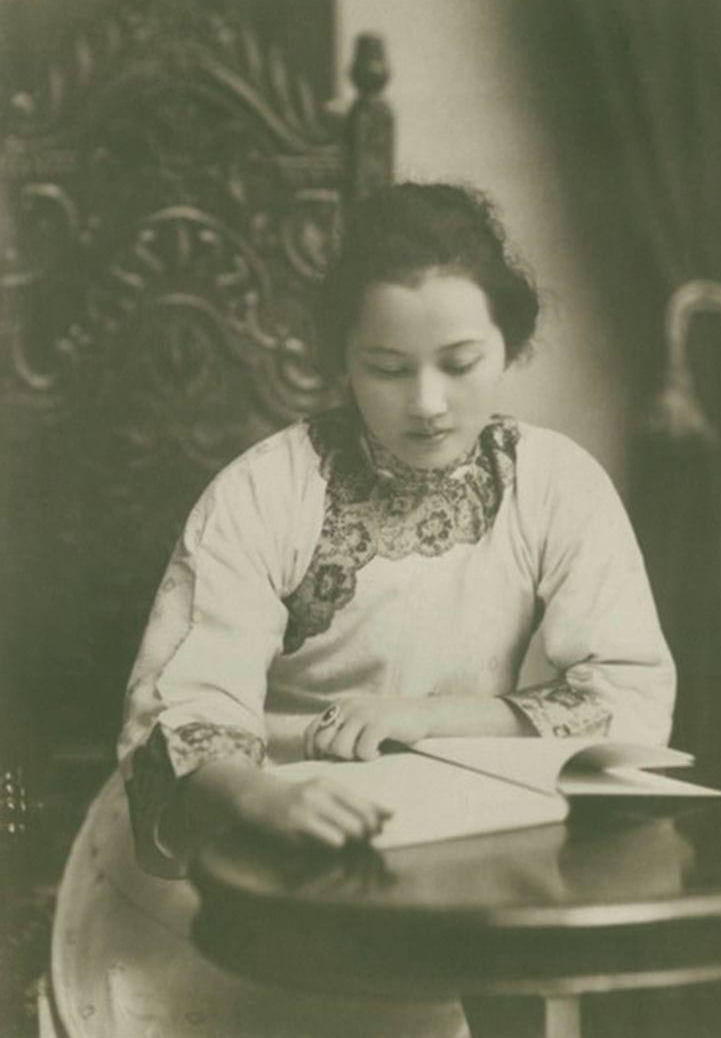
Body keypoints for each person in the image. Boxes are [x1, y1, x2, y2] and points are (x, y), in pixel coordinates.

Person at [46, 182, 676, 1038]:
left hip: (454, 845)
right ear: (342, 357)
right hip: (237, 851)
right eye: (387, 367)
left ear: (509, 344)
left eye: (460, 363)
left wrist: (425, 718)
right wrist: (263, 799)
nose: (427, 402)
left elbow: (626, 697)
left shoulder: (557, 484)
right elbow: (180, 711)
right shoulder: (266, 492)